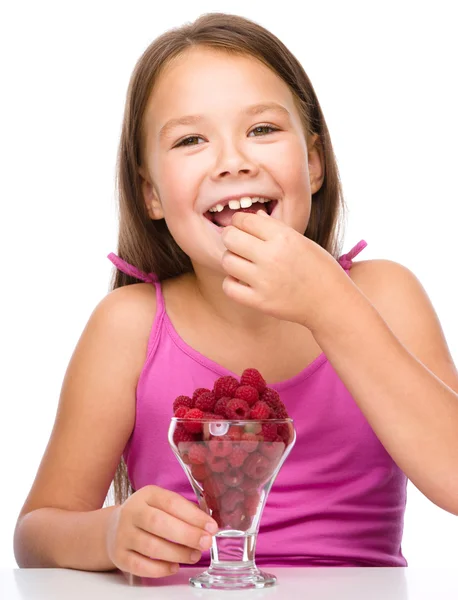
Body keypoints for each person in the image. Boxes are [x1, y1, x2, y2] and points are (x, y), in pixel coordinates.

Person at [13, 12, 458, 578]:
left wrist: (331, 304)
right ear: (151, 193)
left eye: (263, 130)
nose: (232, 161)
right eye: (191, 140)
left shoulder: (385, 295)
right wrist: (107, 533)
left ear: (314, 163)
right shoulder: (128, 326)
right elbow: (36, 533)